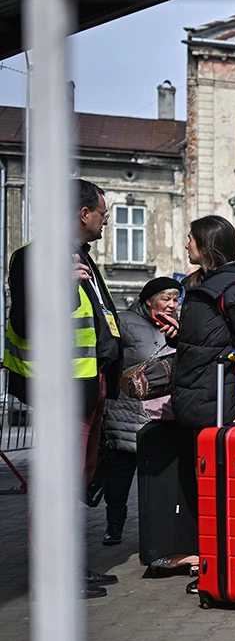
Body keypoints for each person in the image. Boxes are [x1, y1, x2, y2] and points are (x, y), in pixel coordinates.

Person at [4, 178, 124, 599]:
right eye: (103, 214)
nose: (106, 222)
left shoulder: (81, 258)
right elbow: (23, 321)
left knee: (78, 479)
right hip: (61, 388)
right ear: (83, 214)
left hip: (90, 384)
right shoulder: (34, 258)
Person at [170, 215, 235, 589]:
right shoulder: (208, 286)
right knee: (204, 489)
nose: (186, 245)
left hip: (223, 406)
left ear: (207, 245)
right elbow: (208, 343)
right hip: (201, 401)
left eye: (191, 240)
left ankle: (222, 568)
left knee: (220, 493)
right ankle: (211, 564)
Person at [100, 277, 181, 546]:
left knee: (155, 478)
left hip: (159, 413)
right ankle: (114, 525)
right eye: (165, 299)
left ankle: (156, 530)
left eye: (175, 299)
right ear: (149, 300)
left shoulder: (176, 326)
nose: (171, 305)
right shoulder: (123, 321)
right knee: (120, 474)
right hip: (124, 411)